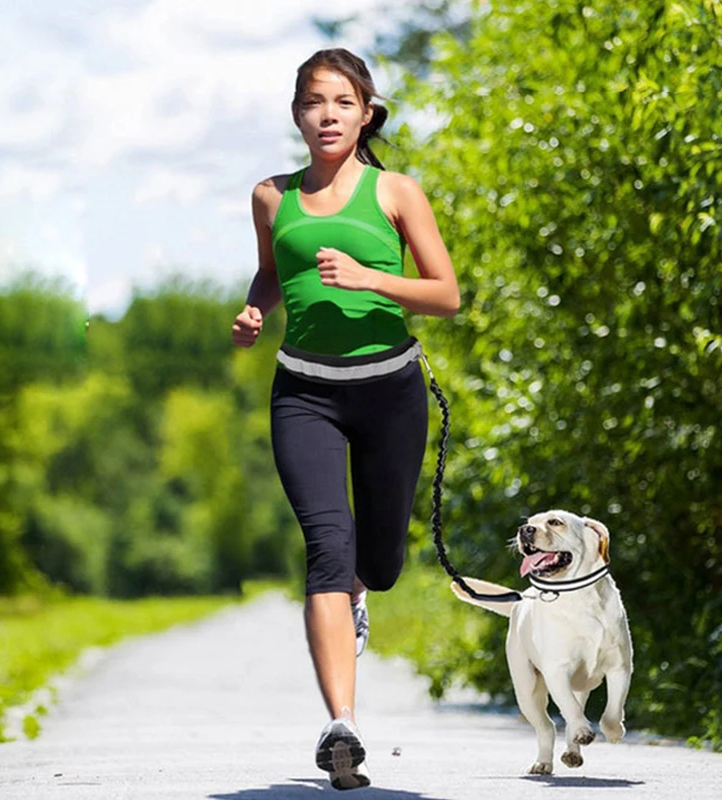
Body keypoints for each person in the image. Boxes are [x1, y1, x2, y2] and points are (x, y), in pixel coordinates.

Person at [231, 48, 460, 790]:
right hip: (304, 393)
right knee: (327, 545)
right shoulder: (272, 195)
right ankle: (343, 727)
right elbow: (272, 268)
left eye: (340, 102)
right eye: (311, 103)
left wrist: (370, 279)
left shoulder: (396, 192)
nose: (325, 115)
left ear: (366, 112)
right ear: (296, 114)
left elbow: (446, 294)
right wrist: (256, 308)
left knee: (380, 563)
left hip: (390, 390)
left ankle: (361, 593)